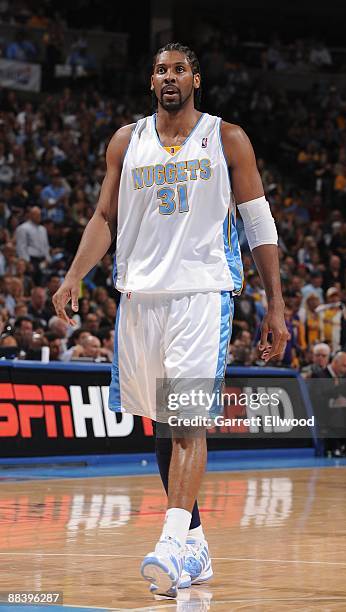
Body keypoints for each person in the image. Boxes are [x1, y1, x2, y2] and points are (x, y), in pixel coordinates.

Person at [52, 42, 289, 598]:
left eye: (179, 69)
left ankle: (170, 542)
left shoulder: (226, 138)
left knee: (186, 421)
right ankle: (195, 542)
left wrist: (275, 303)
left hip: (201, 295)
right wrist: (73, 275)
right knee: (162, 426)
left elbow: (259, 223)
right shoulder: (125, 141)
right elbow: (104, 216)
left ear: (196, 79)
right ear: (150, 80)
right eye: (160, 69)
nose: (168, 77)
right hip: (140, 299)